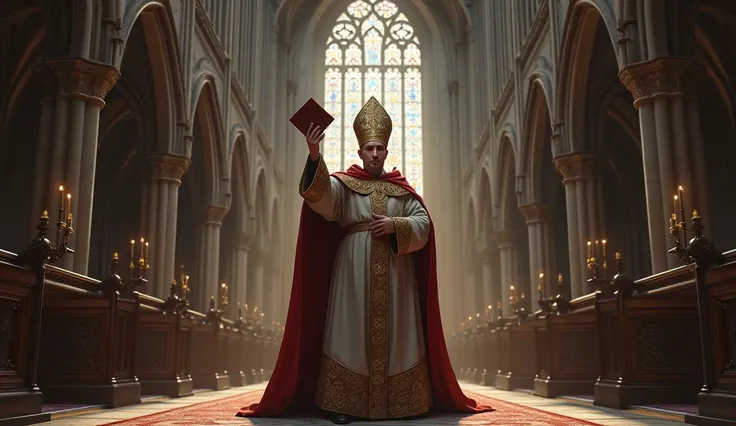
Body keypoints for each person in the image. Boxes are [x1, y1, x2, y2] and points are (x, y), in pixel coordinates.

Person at [237, 97, 492, 424]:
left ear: (386, 152)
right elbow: (320, 199)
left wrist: (396, 225)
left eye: (379, 149)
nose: (374, 154)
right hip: (352, 275)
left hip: (397, 276)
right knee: (348, 331)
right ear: (360, 152)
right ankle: (345, 403)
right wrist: (315, 154)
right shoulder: (345, 185)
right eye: (369, 148)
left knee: (398, 334)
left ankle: (402, 403)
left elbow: (424, 226)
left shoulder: (402, 191)